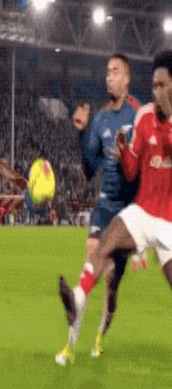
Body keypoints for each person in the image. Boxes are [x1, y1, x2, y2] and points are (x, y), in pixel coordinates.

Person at [58, 50, 172, 364]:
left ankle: (96, 336)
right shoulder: (143, 116)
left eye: (162, 85)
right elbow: (129, 171)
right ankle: (76, 301)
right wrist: (124, 153)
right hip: (140, 210)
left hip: (169, 221)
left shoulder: (155, 116)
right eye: (154, 86)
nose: (157, 92)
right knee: (103, 245)